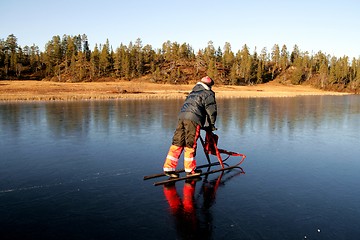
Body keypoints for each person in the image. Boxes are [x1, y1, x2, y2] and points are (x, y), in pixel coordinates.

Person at [163, 76, 217, 178]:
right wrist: (211, 125)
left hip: (182, 117)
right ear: (210, 85)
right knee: (190, 144)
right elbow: (211, 112)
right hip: (193, 120)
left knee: (177, 142)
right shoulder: (208, 93)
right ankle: (190, 171)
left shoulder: (193, 91)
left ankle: (168, 168)